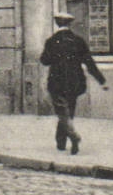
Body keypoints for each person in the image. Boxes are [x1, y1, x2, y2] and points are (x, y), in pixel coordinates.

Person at [40, 11, 106, 155]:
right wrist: (101, 81)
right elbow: (89, 63)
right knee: (68, 111)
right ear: (70, 24)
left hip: (56, 82)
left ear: (57, 23)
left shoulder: (51, 41)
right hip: (75, 82)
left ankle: (72, 137)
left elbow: (44, 60)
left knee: (62, 112)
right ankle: (61, 142)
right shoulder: (78, 41)